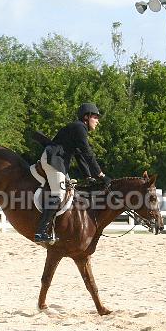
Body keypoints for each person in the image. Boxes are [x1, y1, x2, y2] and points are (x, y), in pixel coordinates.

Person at [35, 102, 110, 244]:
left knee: (69, 191)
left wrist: (88, 176)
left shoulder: (78, 128)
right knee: (59, 194)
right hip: (54, 160)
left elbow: (79, 155)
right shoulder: (80, 128)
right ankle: (41, 231)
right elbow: (88, 153)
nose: (98, 121)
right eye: (96, 117)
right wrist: (101, 174)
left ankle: (53, 228)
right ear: (86, 117)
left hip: (59, 162)